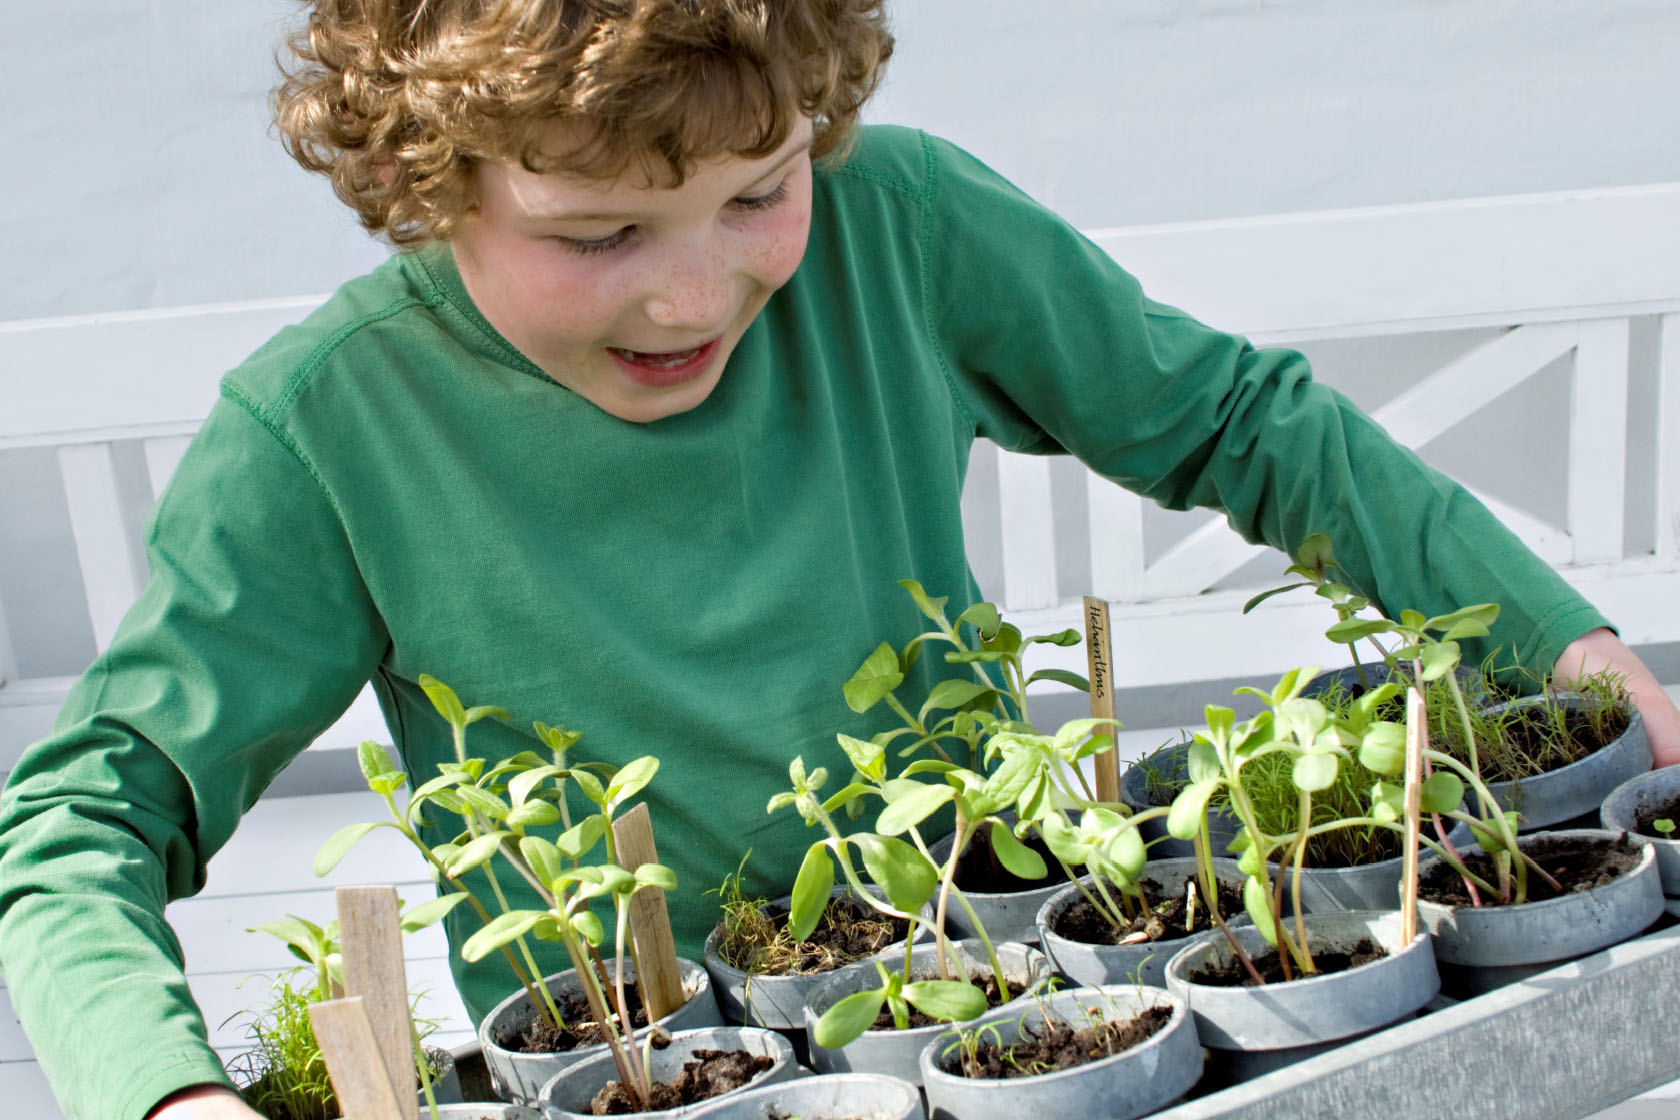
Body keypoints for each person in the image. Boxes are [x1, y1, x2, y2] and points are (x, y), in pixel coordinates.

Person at [2, 3, 1676, 1118]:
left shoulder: (903, 226)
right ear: (424, 183)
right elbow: (85, 816)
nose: (699, 291)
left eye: (764, 189)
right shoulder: (328, 429)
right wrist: (173, 1094)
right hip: (659, 1061)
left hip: (1020, 997)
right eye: (597, 237)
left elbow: (1237, 421)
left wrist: (1563, 648)